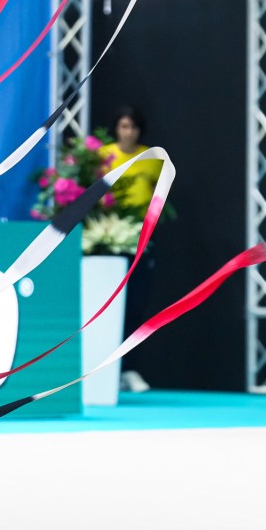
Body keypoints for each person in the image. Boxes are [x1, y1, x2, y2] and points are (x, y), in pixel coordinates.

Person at [98, 105, 161, 391]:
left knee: (134, 307)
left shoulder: (152, 159)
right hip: (105, 241)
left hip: (139, 241)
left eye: (133, 127)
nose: (128, 132)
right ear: (116, 129)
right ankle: (101, 368)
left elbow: (159, 197)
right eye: (124, 126)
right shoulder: (103, 156)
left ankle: (129, 369)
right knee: (105, 306)